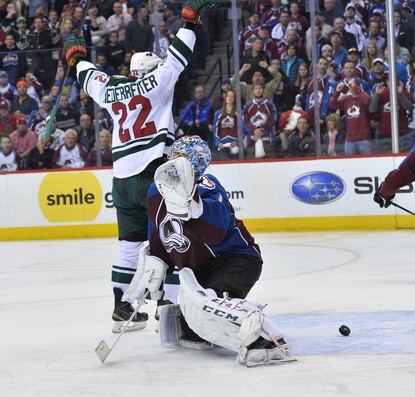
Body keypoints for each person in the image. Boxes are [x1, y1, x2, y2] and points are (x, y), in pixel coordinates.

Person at [64, 0, 216, 333]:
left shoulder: (111, 90)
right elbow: (178, 53)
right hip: (154, 175)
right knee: (174, 236)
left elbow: (88, 75)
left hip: (121, 181)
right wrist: (190, 22)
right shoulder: (159, 80)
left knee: (128, 245)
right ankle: (169, 306)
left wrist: (74, 56)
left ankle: (122, 310)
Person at [123, 135, 296, 367]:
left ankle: (267, 338)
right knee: (196, 324)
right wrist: (156, 261)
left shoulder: (206, 185)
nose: (173, 161)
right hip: (200, 270)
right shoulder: (156, 191)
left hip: (235, 259)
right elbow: (159, 232)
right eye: (173, 155)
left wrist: (191, 206)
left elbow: (215, 232)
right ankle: (189, 319)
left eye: (181, 157)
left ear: (195, 163)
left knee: (210, 307)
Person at [329, 77, 373, 155]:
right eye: (350, 87)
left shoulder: (363, 98)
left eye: (353, 86)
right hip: (349, 140)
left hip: (364, 139)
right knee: (350, 164)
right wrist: (337, 91)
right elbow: (332, 105)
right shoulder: (347, 99)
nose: (351, 88)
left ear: (359, 87)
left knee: (366, 164)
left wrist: (356, 89)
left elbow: (368, 100)